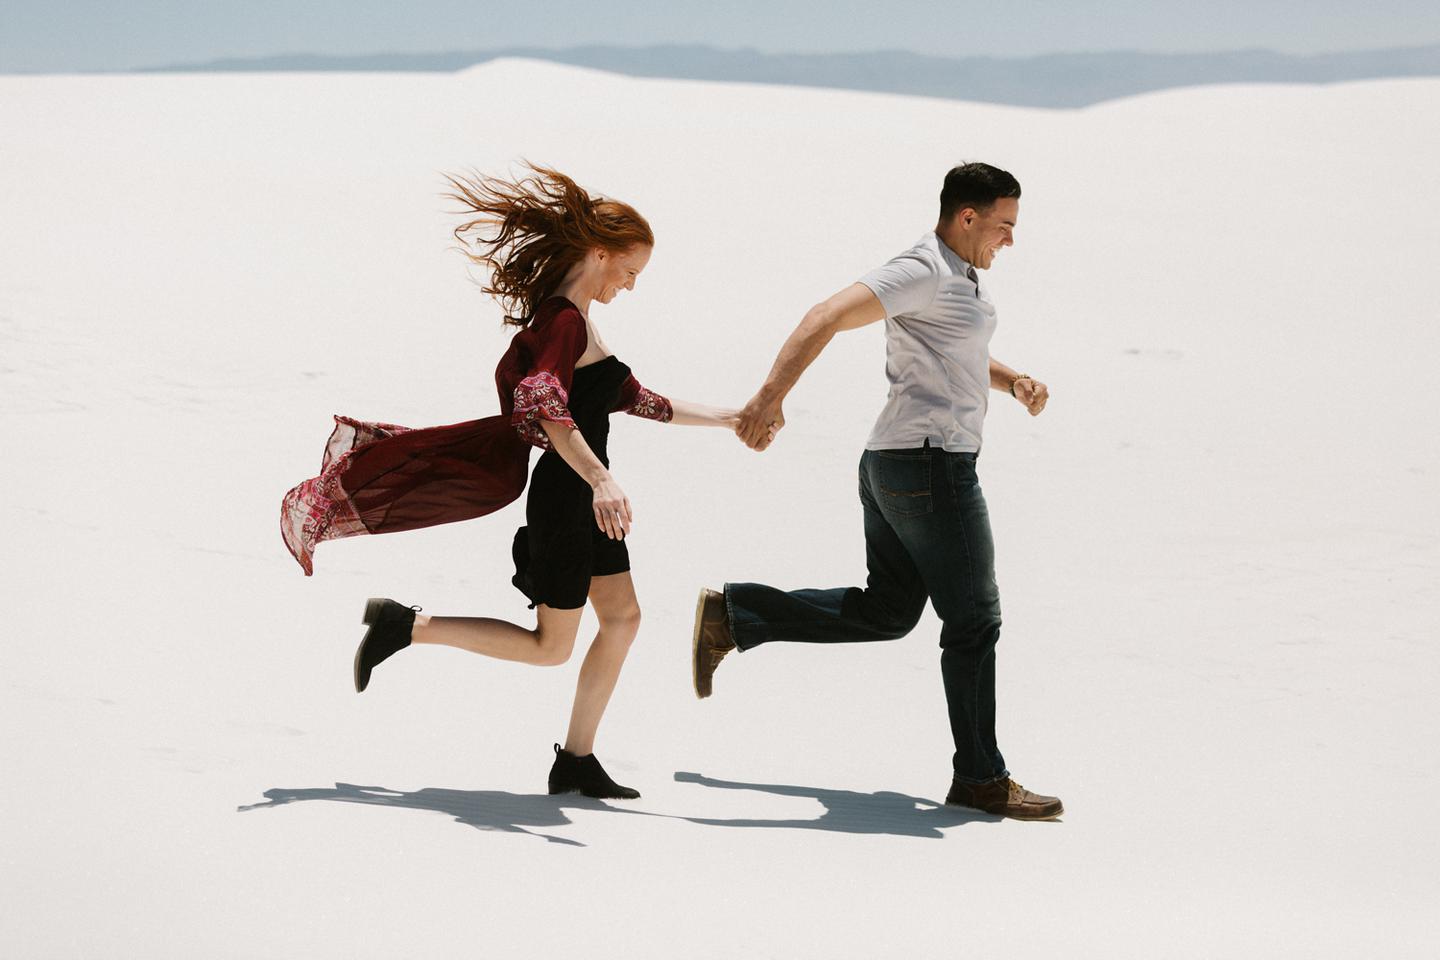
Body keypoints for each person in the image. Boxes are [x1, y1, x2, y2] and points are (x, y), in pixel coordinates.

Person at [281, 165, 746, 799]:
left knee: (623, 619)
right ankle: (406, 626)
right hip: (569, 501)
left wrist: (731, 418)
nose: (632, 284)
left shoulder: (576, 319)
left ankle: (576, 760)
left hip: (588, 502)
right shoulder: (564, 322)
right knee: (551, 647)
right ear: (601, 253)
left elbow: (635, 398)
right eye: (630, 270)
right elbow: (543, 403)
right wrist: (602, 479)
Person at [691, 162, 1064, 820]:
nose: (1011, 238)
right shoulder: (924, 269)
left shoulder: (957, 276)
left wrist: (1014, 382)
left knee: (889, 611)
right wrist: (768, 399)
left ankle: (735, 614)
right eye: (1003, 225)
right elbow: (825, 316)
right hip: (930, 468)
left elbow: (956, 351)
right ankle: (981, 778)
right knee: (974, 620)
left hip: (896, 464)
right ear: (967, 217)